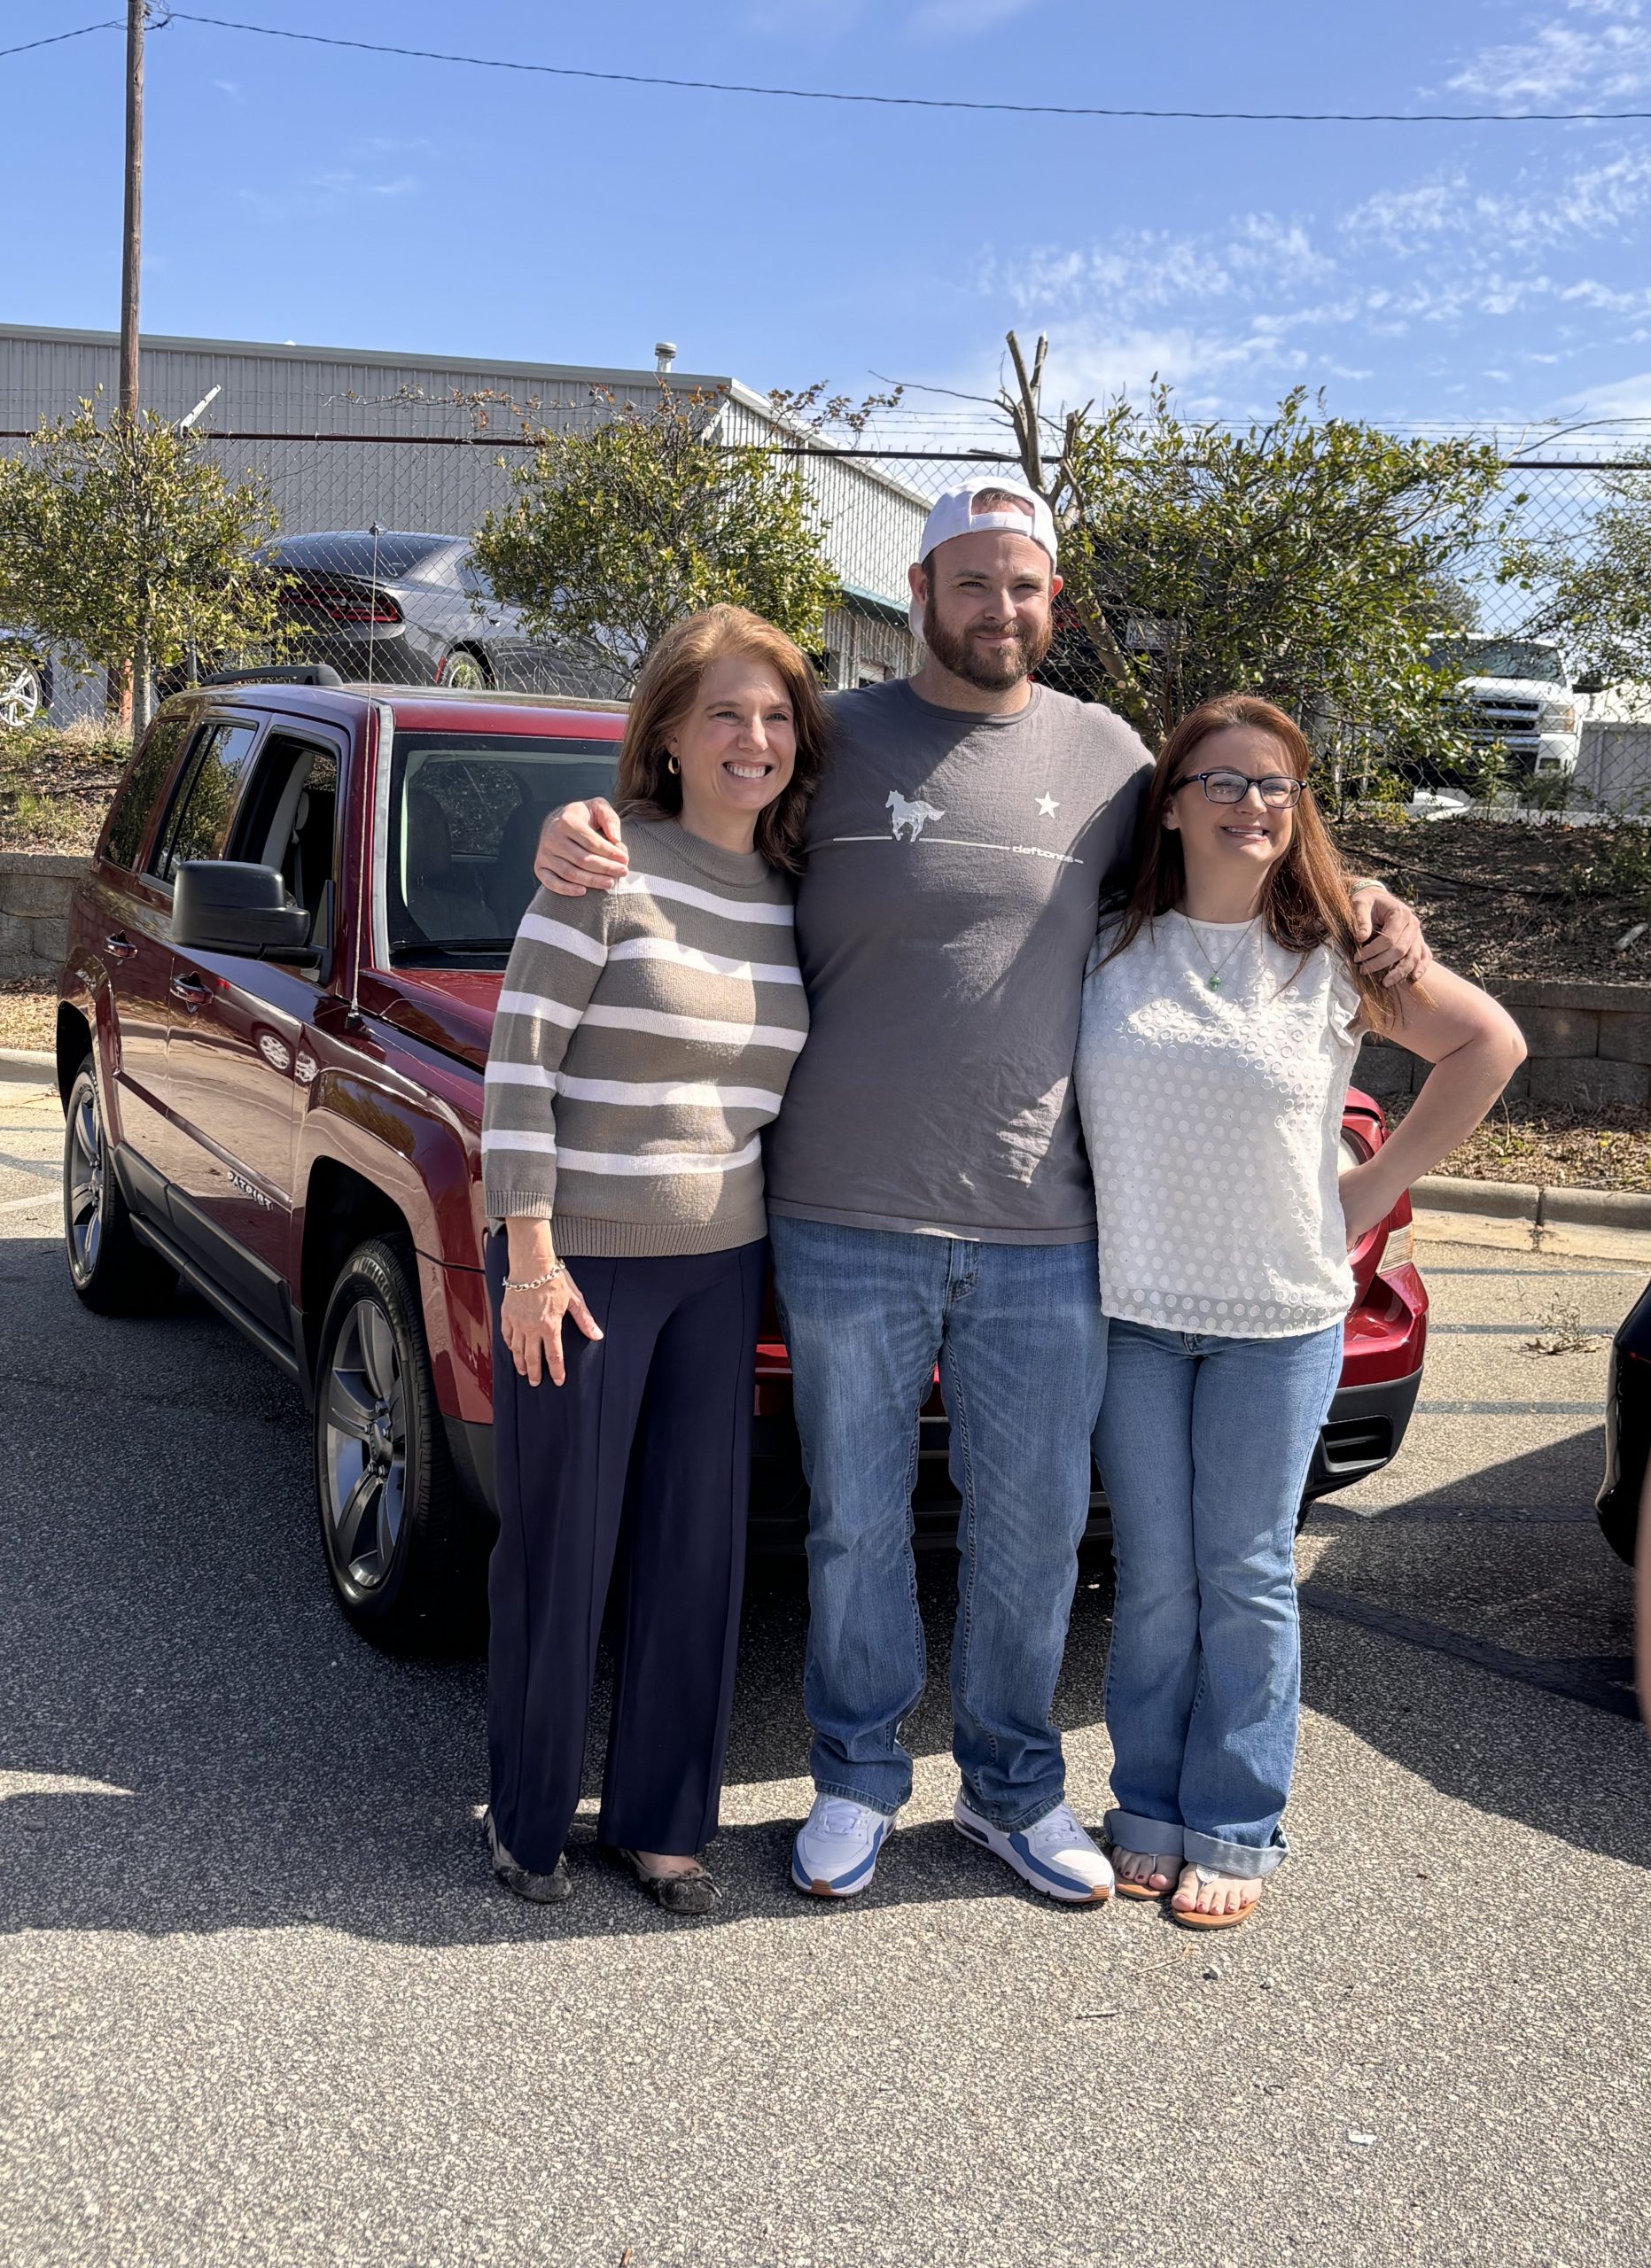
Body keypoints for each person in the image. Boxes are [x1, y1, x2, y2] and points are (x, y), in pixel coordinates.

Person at [534, 479, 1430, 1907]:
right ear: (921, 589)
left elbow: (1238, 837)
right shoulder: (831, 742)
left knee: (1031, 1531)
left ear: (1050, 600)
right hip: (841, 1216)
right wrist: (579, 822)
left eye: (1022, 585)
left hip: (1044, 1228)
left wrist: (1371, 899)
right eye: (971, 581)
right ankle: (855, 1781)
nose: (997, 608)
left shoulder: (1112, 756)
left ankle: (1012, 1793)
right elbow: (696, 812)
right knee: (854, 1523)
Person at [1079, 694, 1524, 1928]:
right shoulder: (1107, 942)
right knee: (1154, 1579)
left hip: (1278, 1320)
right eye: (1222, 782)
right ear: (1171, 806)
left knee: (1247, 1572)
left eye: (1277, 784)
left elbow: (1489, 1045)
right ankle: (1145, 1807)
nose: (1253, 805)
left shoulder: (1336, 951)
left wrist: (1371, 1191)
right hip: (1132, 1313)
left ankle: (1235, 1824)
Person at [480, 605, 824, 1915]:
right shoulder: (602, 874)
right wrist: (529, 1256)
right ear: (669, 734)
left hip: (722, 1267)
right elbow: (519, 1069)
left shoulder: (793, 895)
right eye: (725, 712)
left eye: (776, 715)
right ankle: (527, 1820)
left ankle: (663, 1824)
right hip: (581, 1269)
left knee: (696, 1552)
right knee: (561, 1549)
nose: (754, 738)